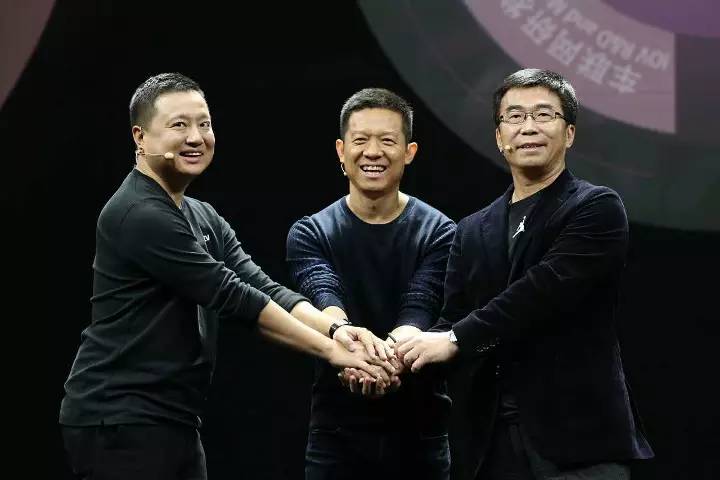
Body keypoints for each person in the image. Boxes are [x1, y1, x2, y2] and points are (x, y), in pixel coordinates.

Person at [59, 73, 394, 480]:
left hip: (174, 419)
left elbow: (260, 285)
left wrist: (338, 330)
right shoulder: (138, 213)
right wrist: (333, 353)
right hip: (119, 419)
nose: (196, 137)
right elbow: (232, 296)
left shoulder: (202, 215)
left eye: (204, 124)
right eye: (179, 125)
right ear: (140, 138)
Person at [397, 69, 654, 480]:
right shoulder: (472, 229)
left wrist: (453, 338)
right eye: (514, 117)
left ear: (569, 133)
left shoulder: (596, 208)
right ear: (500, 137)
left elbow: (542, 291)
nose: (528, 127)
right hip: (489, 445)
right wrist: (397, 356)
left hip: (579, 444)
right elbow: (453, 319)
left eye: (543, 115)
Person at [286, 88, 456, 480]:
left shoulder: (441, 232)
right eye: (361, 140)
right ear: (341, 150)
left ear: (409, 152)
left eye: (387, 141)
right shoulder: (311, 232)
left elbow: (421, 306)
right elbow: (324, 296)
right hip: (336, 433)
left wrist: (376, 361)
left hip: (421, 431)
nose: (373, 152)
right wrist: (348, 342)